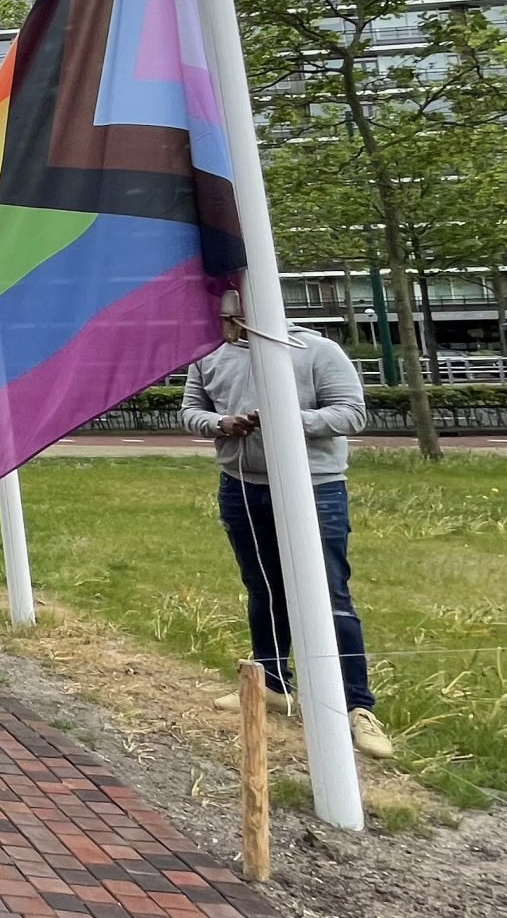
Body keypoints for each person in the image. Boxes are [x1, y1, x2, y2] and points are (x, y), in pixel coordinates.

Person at [181, 288, 394, 759]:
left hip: (315, 488)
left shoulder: (317, 350)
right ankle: (273, 683)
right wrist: (221, 425)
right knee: (263, 589)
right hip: (241, 484)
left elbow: (352, 413)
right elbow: (191, 411)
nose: (219, 320)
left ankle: (357, 705)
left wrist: (287, 419)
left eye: (225, 312)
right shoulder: (208, 357)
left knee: (329, 592)